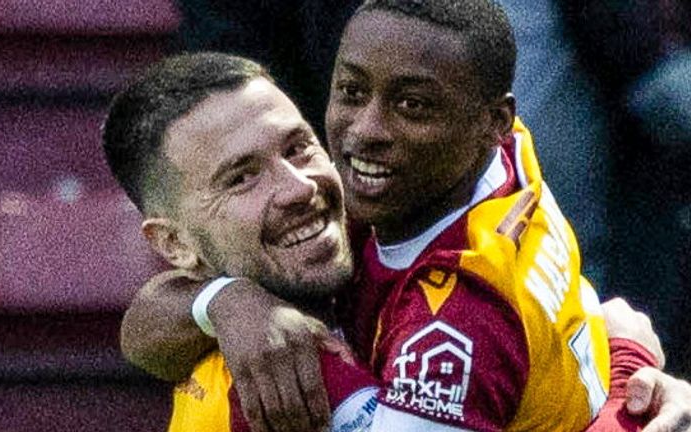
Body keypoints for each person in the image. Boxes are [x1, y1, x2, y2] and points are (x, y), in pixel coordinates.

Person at [119, 0, 691, 431]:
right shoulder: (491, 163)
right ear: (172, 244)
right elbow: (143, 328)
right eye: (241, 177)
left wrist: (623, 389)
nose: (300, 186)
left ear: (490, 123)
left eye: (298, 147)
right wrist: (222, 302)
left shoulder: (456, 311)